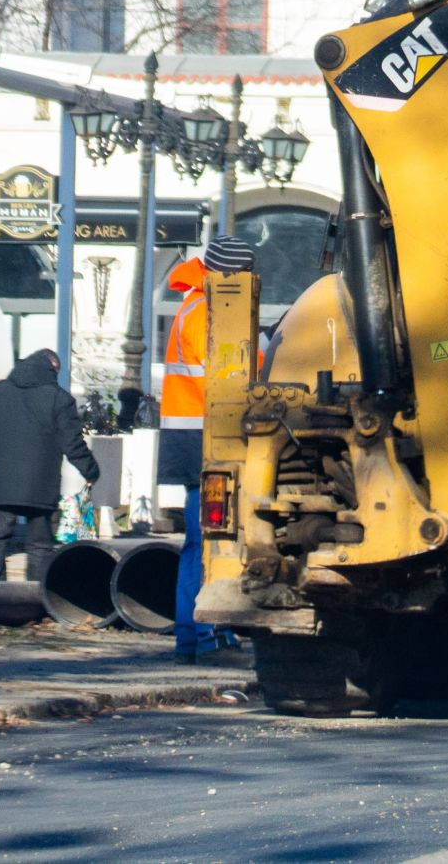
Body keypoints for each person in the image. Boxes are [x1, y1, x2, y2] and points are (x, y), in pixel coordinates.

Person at [161, 236, 257, 660]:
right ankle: (204, 637)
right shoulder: (208, 313)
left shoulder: (195, 306)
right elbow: (232, 376)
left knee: (202, 544)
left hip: (193, 440)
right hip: (207, 442)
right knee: (208, 544)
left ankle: (198, 636)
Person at [0, 349, 100, 582]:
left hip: (0, 480)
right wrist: (90, 471)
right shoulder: (59, 399)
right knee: (40, 543)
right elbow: (72, 442)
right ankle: (36, 596)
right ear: (52, 368)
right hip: (40, 481)